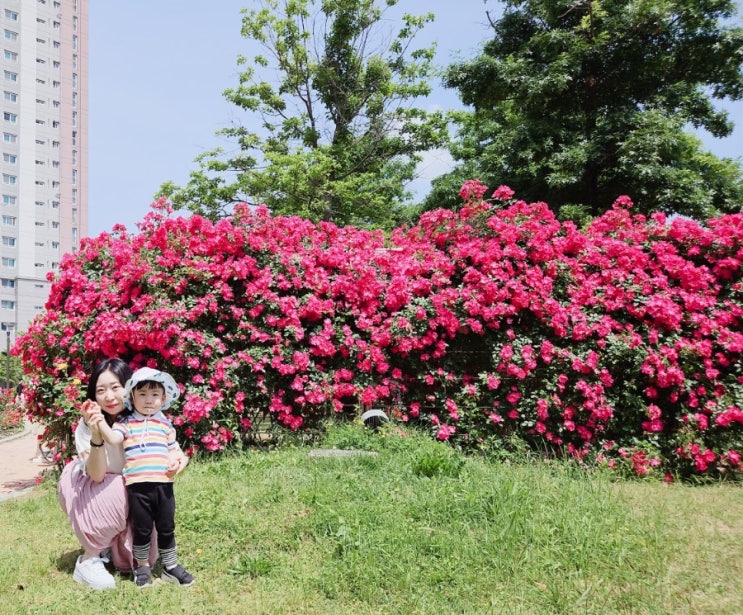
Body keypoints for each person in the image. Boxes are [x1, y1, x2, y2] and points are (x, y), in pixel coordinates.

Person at [57, 358, 189, 590]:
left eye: (115, 387)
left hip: (137, 490)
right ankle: (89, 558)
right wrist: (98, 433)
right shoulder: (88, 425)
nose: (109, 396)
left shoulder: (147, 417)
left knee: (144, 547)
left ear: (129, 388)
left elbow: (173, 448)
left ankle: (114, 548)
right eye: (101, 390)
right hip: (96, 487)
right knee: (119, 486)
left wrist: (180, 460)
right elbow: (96, 475)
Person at [95, 366, 194, 588]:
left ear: (163, 398)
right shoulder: (126, 423)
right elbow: (111, 438)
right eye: (142, 394)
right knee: (142, 530)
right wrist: (98, 421)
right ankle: (142, 567)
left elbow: (174, 450)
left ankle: (171, 566)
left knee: (167, 527)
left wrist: (177, 462)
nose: (149, 400)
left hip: (164, 485)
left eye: (154, 395)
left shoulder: (165, 424)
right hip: (138, 487)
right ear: (132, 397)